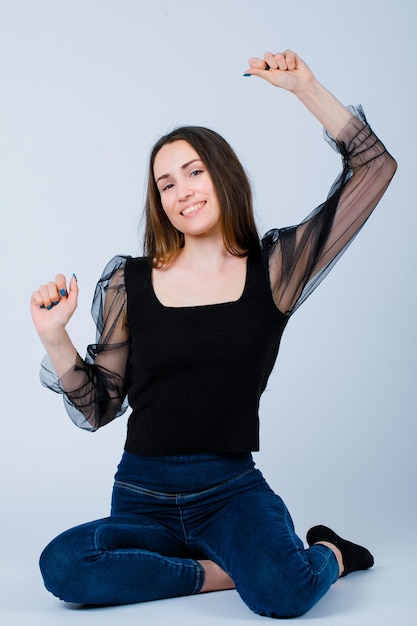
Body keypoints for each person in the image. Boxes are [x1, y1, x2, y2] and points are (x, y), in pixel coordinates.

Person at [30, 50, 396, 618]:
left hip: (229, 492)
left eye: (195, 172)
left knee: (285, 594)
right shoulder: (131, 281)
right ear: (159, 201)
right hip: (142, 494)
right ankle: (225, 574)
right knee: (63, 565)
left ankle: (329, 553)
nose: (183, 192)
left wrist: (305, 87)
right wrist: (55, 335)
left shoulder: (276, 269)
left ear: (222, 177)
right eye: (166, 184)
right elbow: (100, 407)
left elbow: (375, 169)